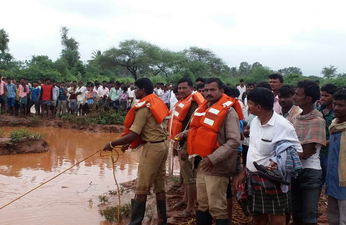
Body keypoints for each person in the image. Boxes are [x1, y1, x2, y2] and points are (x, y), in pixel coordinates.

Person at [103, 78, 169, 225]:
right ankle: (162, 219)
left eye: (136, 88)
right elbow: (151, 129)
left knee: (141, 187)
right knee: (159, 184)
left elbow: (133, 134)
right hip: (163, 146)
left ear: (142, 90)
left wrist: (111, 143)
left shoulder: (144, 108)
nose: (134, 91)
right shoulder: (157, 102)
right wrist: (129, 144)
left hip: (152, 149)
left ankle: (135, 222)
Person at [235, 87, 303, 225]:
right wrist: (244, 172)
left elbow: (298, 152)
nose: (248, 108)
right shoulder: (255, 122)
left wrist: (277, 162)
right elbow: (253, 150)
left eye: (250, 105)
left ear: (259, 107)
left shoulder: (283, 126)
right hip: (253, 177)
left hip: (273, 180)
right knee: (258, 218)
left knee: (277, 220)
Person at [184, 78, 242, 225]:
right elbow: (200, 131)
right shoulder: (205, 109)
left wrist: (213, 158)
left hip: (217, 167)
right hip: (201, 165)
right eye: (206, 90)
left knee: (217, 207)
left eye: (212, 90)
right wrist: (184, 135)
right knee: (202, 204)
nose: (208, 93)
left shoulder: (229, 113)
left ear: (221, 91)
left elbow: (234, 141)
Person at [291, 80, 326, 225]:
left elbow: (306, 152)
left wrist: (288, 152)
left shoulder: (317, 121)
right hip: (295, 169)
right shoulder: (296, 118)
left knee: (310, 215)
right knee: (296, 212)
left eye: (297, 94)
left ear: (308, 99)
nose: (294, 97)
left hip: (310, 171)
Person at [170, 77, 205, 218]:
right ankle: (185, 200)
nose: (181, 90)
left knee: (190, 178)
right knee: (185, 175)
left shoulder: (193, 105)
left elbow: (194, 128)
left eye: (184, 88)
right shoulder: (183, 102)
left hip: (188, 146)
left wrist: (184, 147)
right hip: (180, 144)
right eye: (179, 88)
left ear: (192, 89)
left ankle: (190, 208)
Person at [325, 89, 346, 225]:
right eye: (335, 104)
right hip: (333, 179)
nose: (336, 108)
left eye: (341, 105)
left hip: (345, 183)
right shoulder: (334, 125)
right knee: (333, 217)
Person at [318, 84, 338, 191]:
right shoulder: (319, 109)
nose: (322, 98)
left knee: (331, 181)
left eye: (326, 96)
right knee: (317, 182)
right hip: (318, 151)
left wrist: (326, 142)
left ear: (334, 96)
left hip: (330, 152)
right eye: (322, 95)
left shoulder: (337, 113)